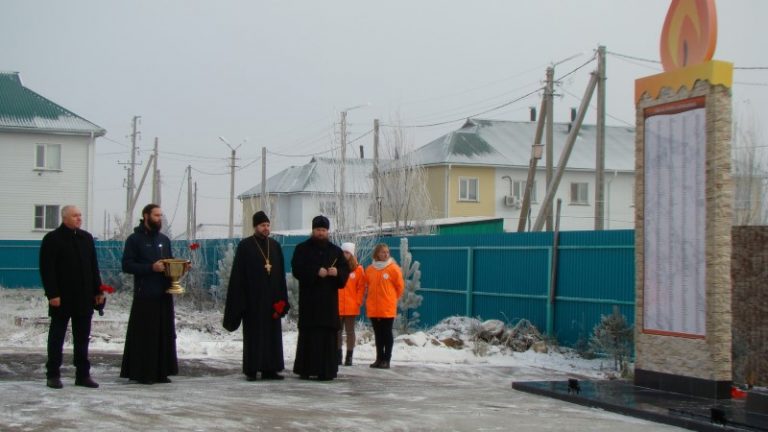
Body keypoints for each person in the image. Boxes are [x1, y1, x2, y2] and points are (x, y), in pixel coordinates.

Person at [39, 205, 104, 389]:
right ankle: (53, 374)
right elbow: (47, 269)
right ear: (65, 217)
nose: (79, 218)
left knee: (82, 338)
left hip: (84, 297)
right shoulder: (52, 239)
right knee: (57, 337)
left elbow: (93, 267)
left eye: (80, 215)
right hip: (62, 298)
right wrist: (52, 294)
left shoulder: (86, 238)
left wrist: (98, 291)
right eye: (75, 215)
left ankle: (82, 375)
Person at [223, 211, 290, 381]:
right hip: (253, 301)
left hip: (273, 301)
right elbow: (238, 275)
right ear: (255, 227)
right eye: (262, 225)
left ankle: (271, 369)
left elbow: (280, 275)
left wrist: (282, 300)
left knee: (272, 336)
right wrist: (240, 301)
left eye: (267, 225)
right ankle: (251, 369)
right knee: (254, 336)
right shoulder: (245, 246)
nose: (266, 228)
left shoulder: (274, 246)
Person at [120, 204, 179, 384]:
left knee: (163, 332)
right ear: (146, 216)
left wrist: (179, 268)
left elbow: (169, 262)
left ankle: (162, 371)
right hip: (145, 294)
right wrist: (150, 268)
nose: (159, 219)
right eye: (156, 215)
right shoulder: (134, 239)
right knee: (146, 335)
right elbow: (127, 265)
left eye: (160, 215)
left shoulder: (164, 239)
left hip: (163, 293)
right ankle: (143, 372)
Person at [291, 215, 350, 380]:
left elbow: (345, 271)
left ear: (327, 231)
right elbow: (297, 269)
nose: (321, 233)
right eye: (318, 230)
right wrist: (316, 271)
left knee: (327, 337)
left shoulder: (336, 251)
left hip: (328, 304)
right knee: (309, 336)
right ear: (313, 230)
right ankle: (306, 369)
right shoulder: (302, 249)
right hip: (309, 302)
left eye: (323, 230)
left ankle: (326, 371)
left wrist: (337, 272)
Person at [365, 243, 404, 369]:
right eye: (383, 252)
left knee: (387, 333)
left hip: (387, 307)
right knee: (378, 334)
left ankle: (386, 360)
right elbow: (367, 286)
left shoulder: (393, 268)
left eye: (387, 252)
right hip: (373, 307)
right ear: (377, 253)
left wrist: (391, 298)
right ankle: (379, 358)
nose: (386, 254)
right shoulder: (370, 269)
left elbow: (400, 287)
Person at [337, 242, 366, 366]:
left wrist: (357, 301)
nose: (345, 254)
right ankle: (338, 355)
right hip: (337, 306)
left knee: (350, 332)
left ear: (352, 254)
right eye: (343, 252)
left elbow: (361, 287)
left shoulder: (358, 269)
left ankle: (349, 356)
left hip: (351, 306)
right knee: (337, 331)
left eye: (347, 252)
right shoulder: (337, 267)